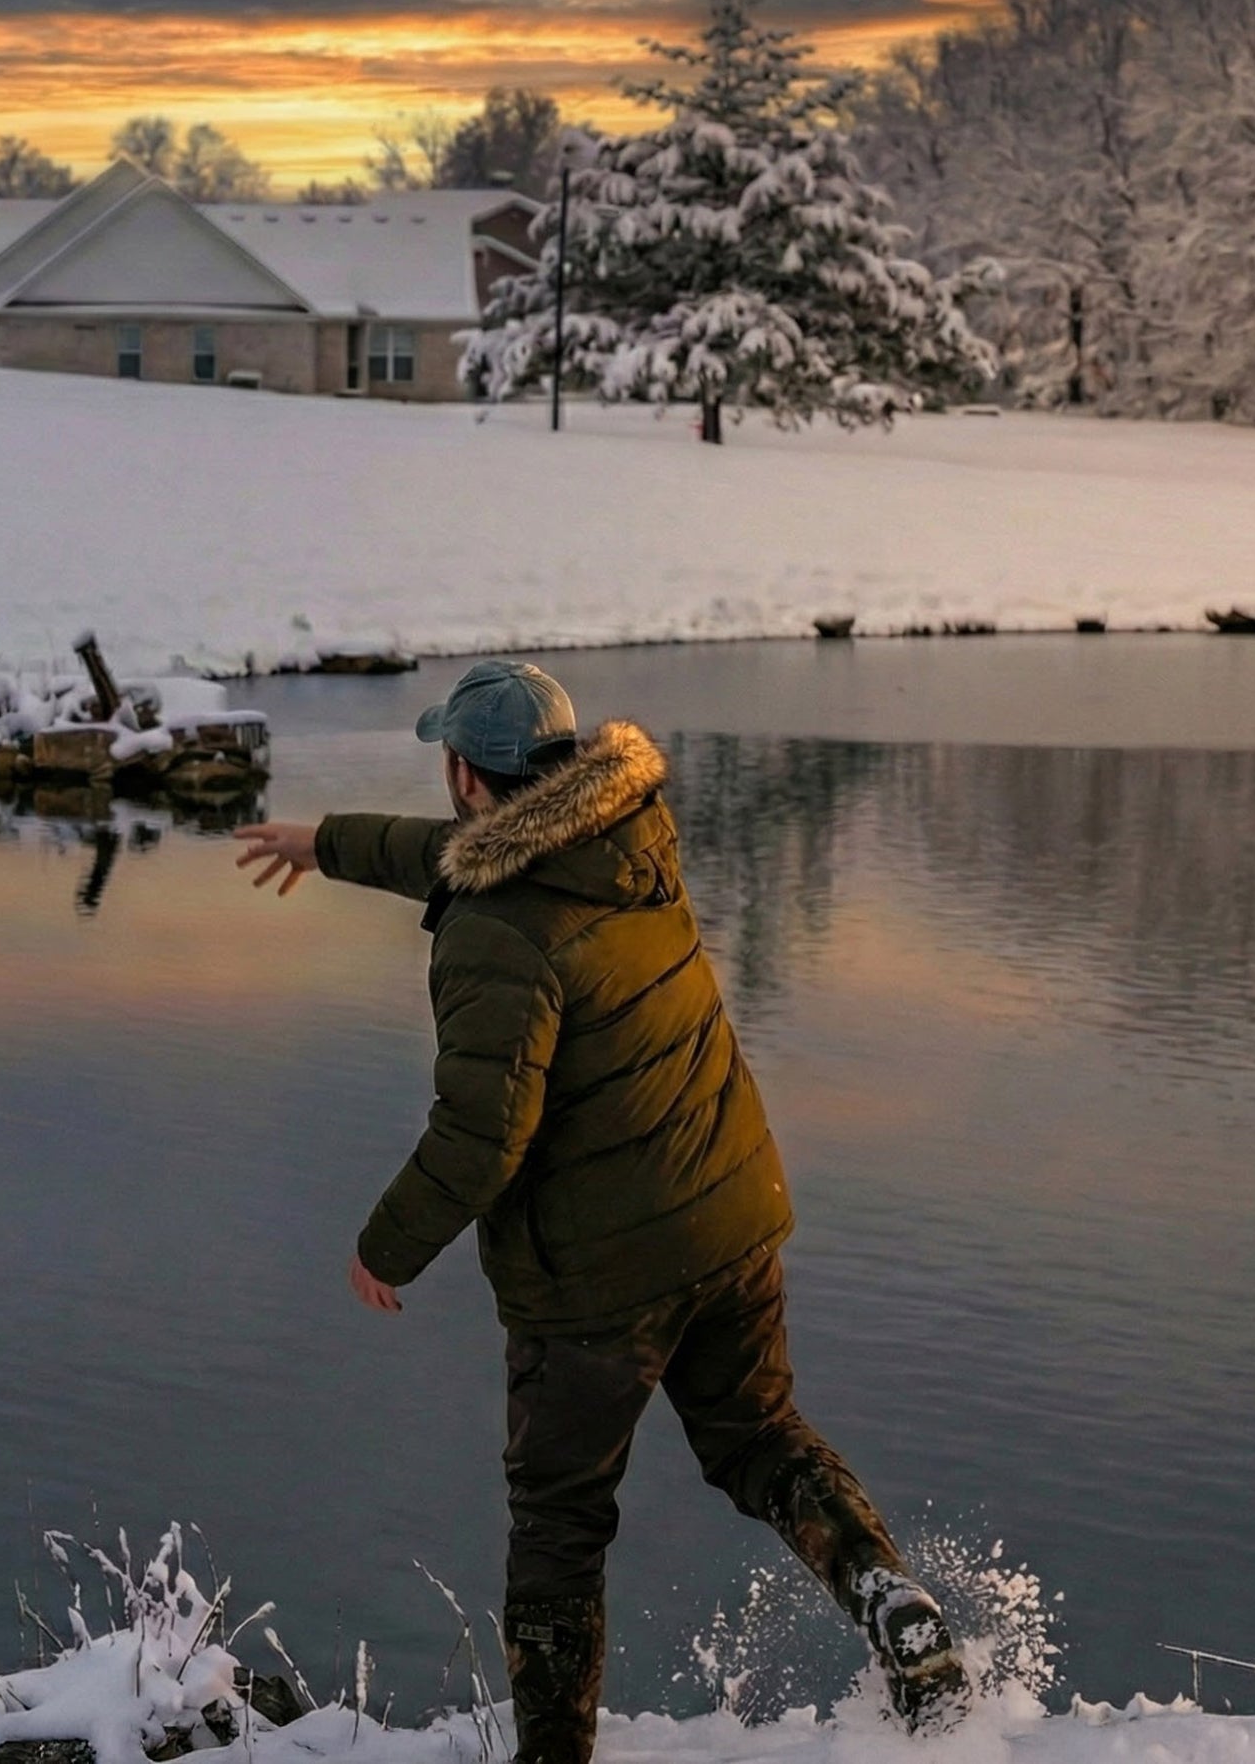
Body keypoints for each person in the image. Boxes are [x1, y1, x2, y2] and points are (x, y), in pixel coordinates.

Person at [233, 660, 971, 1755]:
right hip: (726, 1215)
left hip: (595, 1284)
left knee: (559, 1528)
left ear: (466, 779)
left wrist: (385, 1243)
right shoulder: (626, 836)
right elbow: (456, 857)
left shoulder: (495, 932)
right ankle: (883, 1592)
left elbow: (482, 1135)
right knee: (760, 1435)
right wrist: (324, 841)